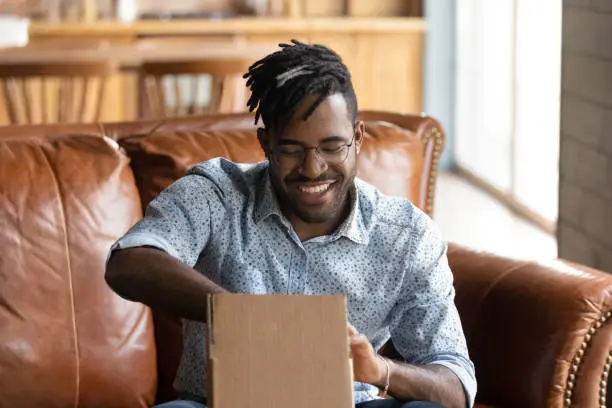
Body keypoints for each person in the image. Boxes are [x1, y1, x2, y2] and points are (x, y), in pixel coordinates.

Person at [105, 40, 476, 408]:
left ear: (358, 137)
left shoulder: (406, 235)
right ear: (266, 142)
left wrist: (379, 370)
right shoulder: (217, 193)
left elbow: (456, 387)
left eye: (332, 147)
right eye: (292, 149)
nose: (313, 168)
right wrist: (244, 315)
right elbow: (128, 262)